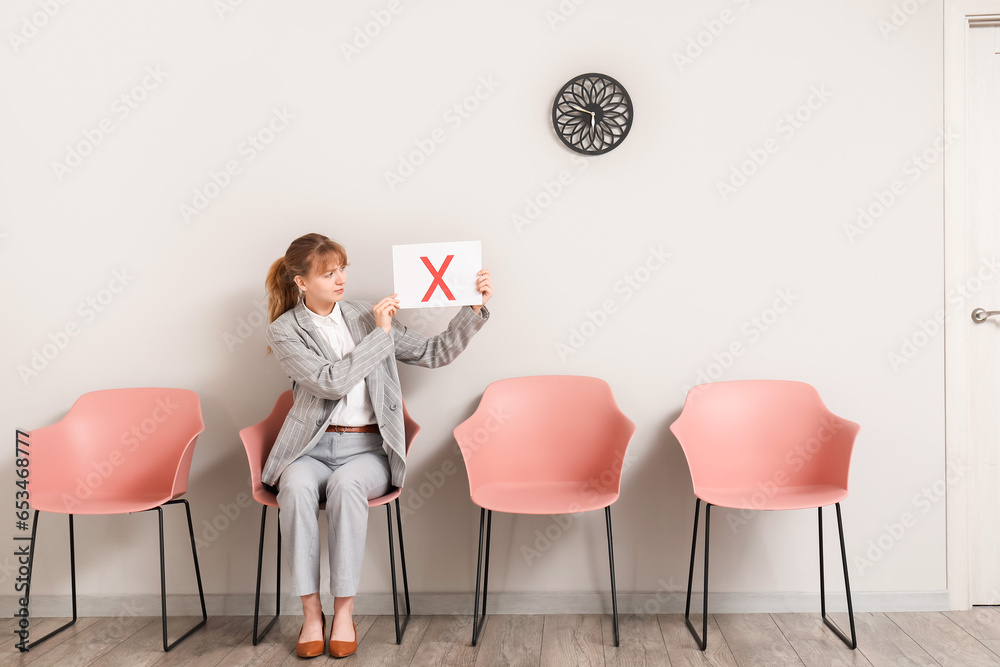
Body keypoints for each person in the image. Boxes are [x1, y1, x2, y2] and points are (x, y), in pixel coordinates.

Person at [262, 232, 491, 658]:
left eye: (342, 269)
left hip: (365, 450)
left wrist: (472, 309)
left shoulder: (365, 315)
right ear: (300, 282)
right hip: (308, 449)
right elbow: (331, 383)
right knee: (294, 488)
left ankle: (344, 611)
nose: (340, 279)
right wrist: (379, 336)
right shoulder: (284, 331)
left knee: (347, 486)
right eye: (328, 273)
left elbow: (434, 352)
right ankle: (311, 614)